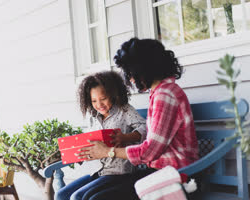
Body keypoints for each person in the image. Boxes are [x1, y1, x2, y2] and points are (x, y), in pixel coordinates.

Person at [78, 37, 199, 200]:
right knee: (86, 196)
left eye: (131, 72)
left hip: (175, 175)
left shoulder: (165, 95)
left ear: (145, 69)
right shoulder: (160, 92)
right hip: (158, 171)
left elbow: (150, 151)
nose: (130, 79)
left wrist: (108, 151)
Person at [55, 70, 147, 200]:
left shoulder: (124, 110)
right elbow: (92, 143)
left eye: (103, 99)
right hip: (97, 172)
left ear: (113, 94)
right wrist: (82, 154)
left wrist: (126, 137)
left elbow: (145, 128)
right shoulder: (93, 117)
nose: (99, 105)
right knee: (61, 194)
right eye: (94, 101)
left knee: (77, 197)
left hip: (119, 173)